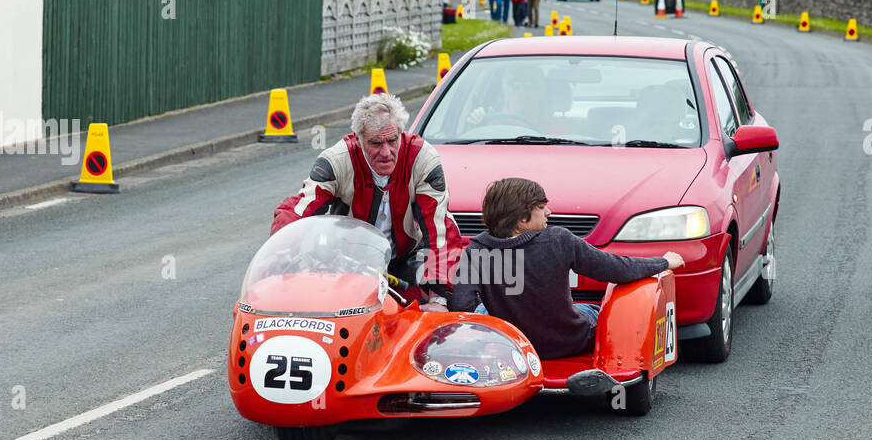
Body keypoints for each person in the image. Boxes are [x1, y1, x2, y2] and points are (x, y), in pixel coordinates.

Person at [449, 178, 685, 359]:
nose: (548, 212)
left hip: (512, 347)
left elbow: (461, 306)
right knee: (592, 310)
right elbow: (616, 269)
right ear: (522, 217)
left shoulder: (477, 250)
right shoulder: (558, 240)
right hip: (565, 343)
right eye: (541, 207)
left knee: (483, 309)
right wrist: (662, 262)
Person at [272, 93, 462, 304]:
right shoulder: (336, 160)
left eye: (392, 140)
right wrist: (281, 255)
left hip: (406, 260)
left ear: (401, 133)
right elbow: (298, 209)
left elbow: (440, 229)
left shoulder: (422, 157)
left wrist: (438, 299)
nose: (386, 152)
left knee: (456, 299)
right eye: (375, 143)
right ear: (358, 139)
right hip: (348, 264)